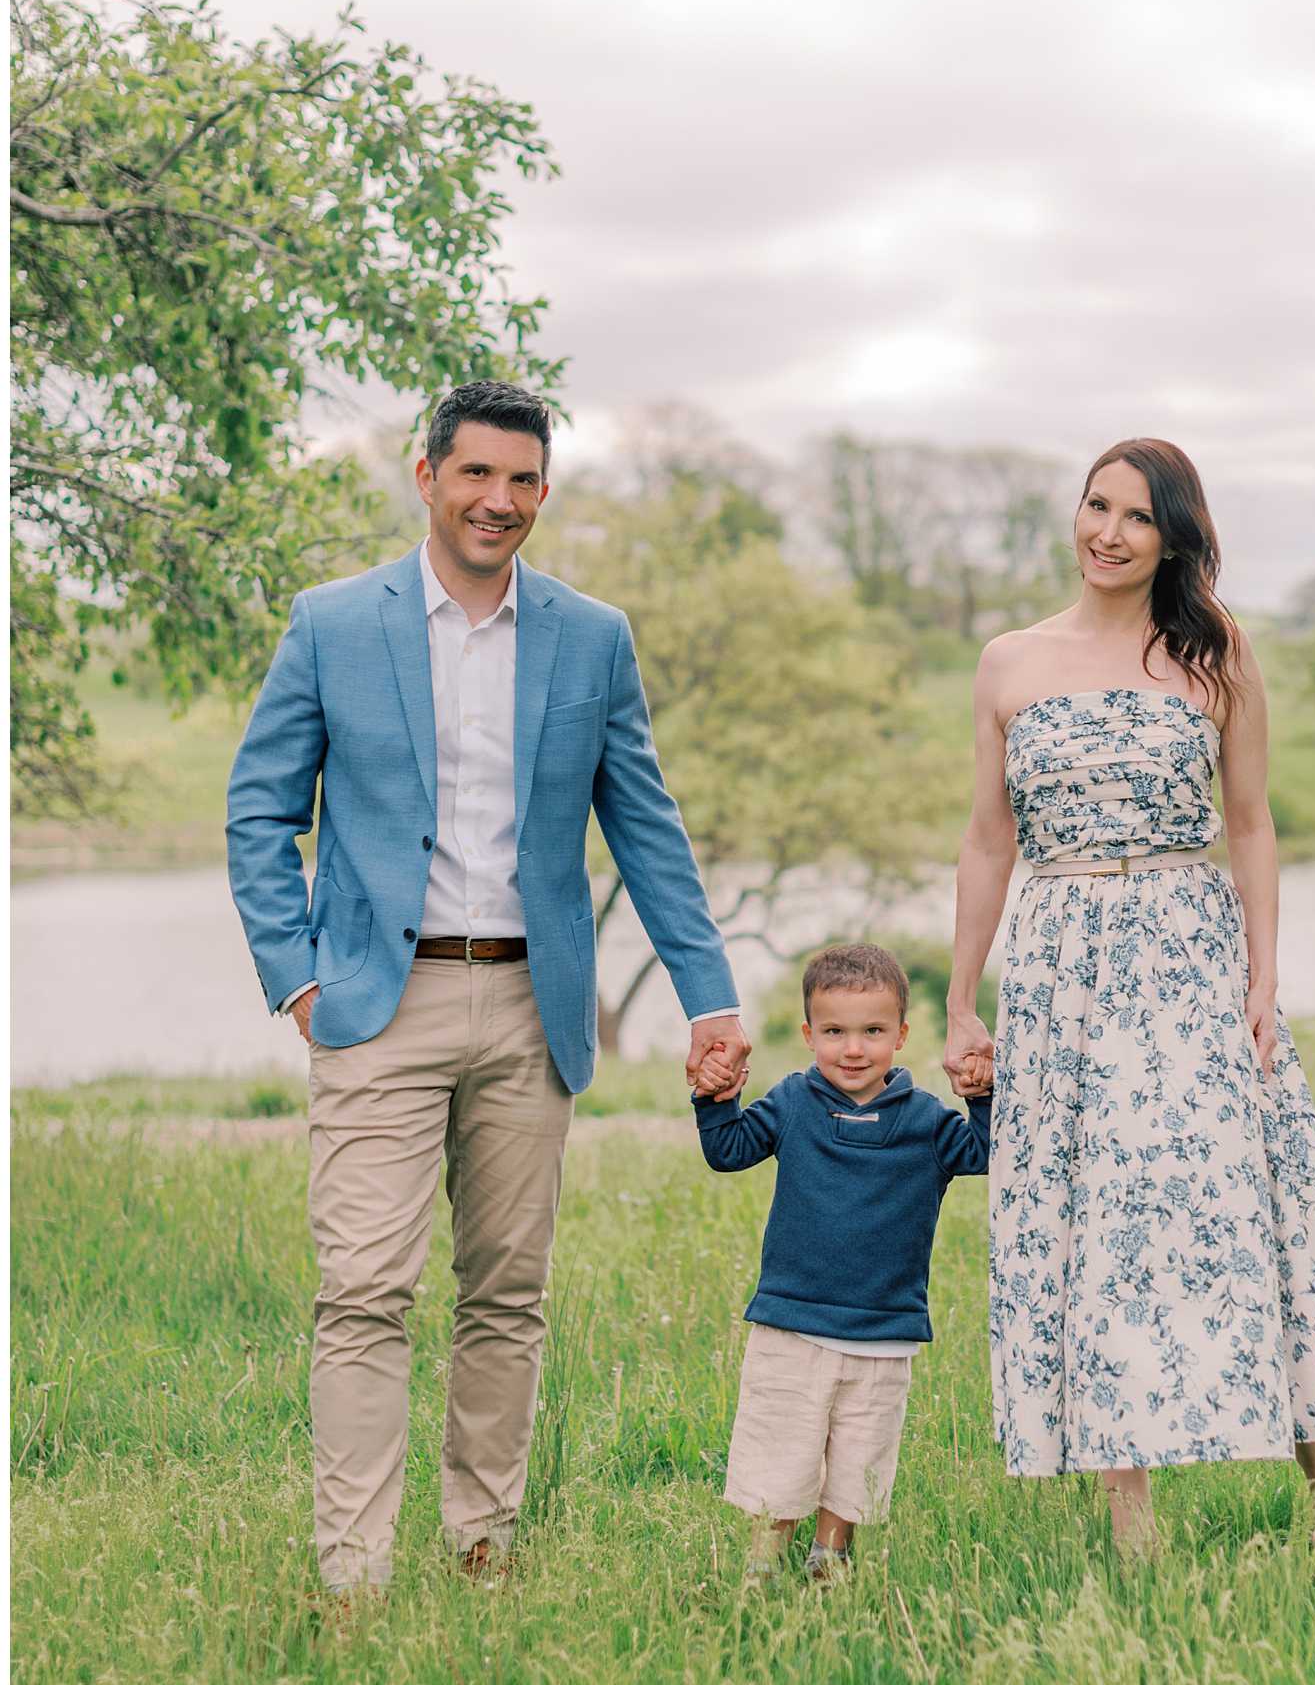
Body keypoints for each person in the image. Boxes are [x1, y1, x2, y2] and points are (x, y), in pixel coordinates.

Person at [226, 381, 751, 1607]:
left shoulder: (590, 636)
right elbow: (260, 810)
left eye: (523, 482)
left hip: (531, 1007)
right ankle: (351, 1575)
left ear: (543, 494)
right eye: (477, 475)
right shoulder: (331, 623)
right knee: (362, 1289)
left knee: (507, 1293)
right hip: (375, 1000)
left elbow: (648, 827)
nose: (498, 502)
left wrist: (709, 995)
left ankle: (482, 1549)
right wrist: (294, 973)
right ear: (426, 475)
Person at [942, 438, 1315, 1564]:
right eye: (1094, 505)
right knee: (1095, 1220)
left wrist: (1261, 975)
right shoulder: (1009, 661)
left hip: (1186, 950)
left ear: (1172, 536)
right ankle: (1129, 1519)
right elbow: (985, 838)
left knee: (1253, 1190)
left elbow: (1248, 821)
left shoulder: (1214, 651)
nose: (1105, 530)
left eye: (1134, 516)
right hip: (1057, 962)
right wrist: (961, 1001)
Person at [693, 942, 992, 1584]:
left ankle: (831, 1559)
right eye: (834, 1032)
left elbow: (985, 1153)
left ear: (902, 1035)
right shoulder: (793, 1103)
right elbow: (729, 1151)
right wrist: (714, 1100)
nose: (853, 1049)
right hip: (793, 1321)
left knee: (857, 1457)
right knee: (784, 1449)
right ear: (808, 1034)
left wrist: (981, 1095)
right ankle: (764, 1562)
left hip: (884, 1329)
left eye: (872, 1032)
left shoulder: (925, 1122)